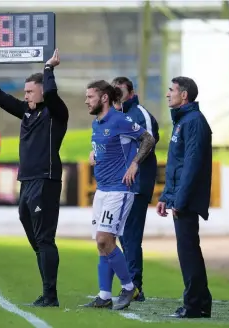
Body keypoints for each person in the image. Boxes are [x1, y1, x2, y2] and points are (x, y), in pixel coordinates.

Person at [0, 49, 68, 307]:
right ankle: (47, 287)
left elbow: (53, 94)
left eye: (30, 92)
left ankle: (50, 295)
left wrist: (48, 69)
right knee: (33, 233)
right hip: (27, 181)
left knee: (44, 238)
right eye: (24, 92)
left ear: (42, 91)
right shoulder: (26, 111)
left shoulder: (55, 112)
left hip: (45, 180)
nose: (25, 96)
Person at [82, 80, 155, 311]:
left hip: (119, 190)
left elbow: (148, 139)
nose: (86, 101)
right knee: (102, 244)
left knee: (105, 240)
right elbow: (106, 147)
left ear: (104, 98)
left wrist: (135, 164)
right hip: (102, 189)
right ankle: (104, 295)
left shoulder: (120, 119)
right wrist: (93, 153)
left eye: (90, 97)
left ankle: (128, 286)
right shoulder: (97, 123)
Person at [157, 76, 212, 318]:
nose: (168, 94)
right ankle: (201, 302)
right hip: (181, 196)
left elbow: (191, 165)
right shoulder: (184, 121)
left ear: (184, 95)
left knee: (188, 252)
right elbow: (177, 165)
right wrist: (166, 196)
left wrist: (179, 201)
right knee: (189, 251)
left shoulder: (193, 122)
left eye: (172, 90)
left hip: (187, 199)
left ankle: (193, 306)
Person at [109, 77, 160, 301]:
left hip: (138, 183)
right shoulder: (116, 114)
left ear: (131, 92)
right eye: (114, 90)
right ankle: (131, 284)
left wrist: (134, 165)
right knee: (121, 233)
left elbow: (149, 142)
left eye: (120, 90)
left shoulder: (141, 114)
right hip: (122, 184)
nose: (117, 93)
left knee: (130, 234)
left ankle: (134, 286)